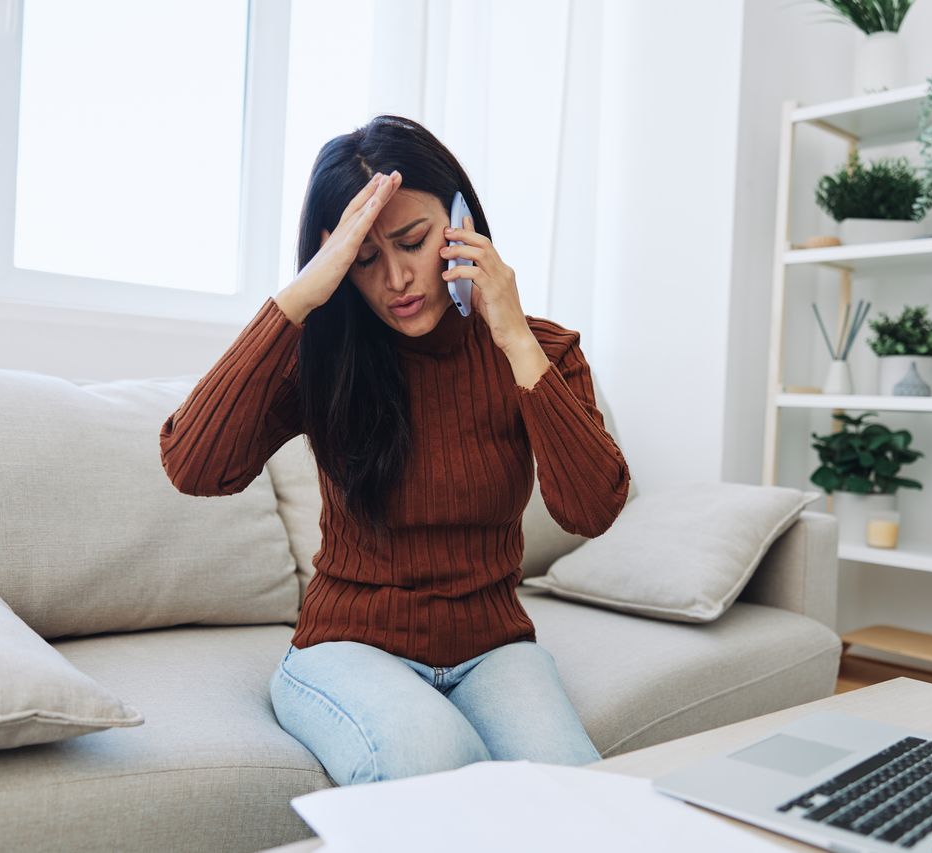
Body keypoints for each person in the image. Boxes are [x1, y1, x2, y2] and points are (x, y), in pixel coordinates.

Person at [159, 114, 631, 787]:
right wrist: (302, 295)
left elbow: (591, 509)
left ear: (463, 221)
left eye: (413, 241)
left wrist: (515, 336)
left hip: (492, 647)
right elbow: (191, 463)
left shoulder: (541, 351)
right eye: (364, 259)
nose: (398, 279)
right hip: (345, 646)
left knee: (579, 795)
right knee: (437, 762)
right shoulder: (326, 355)